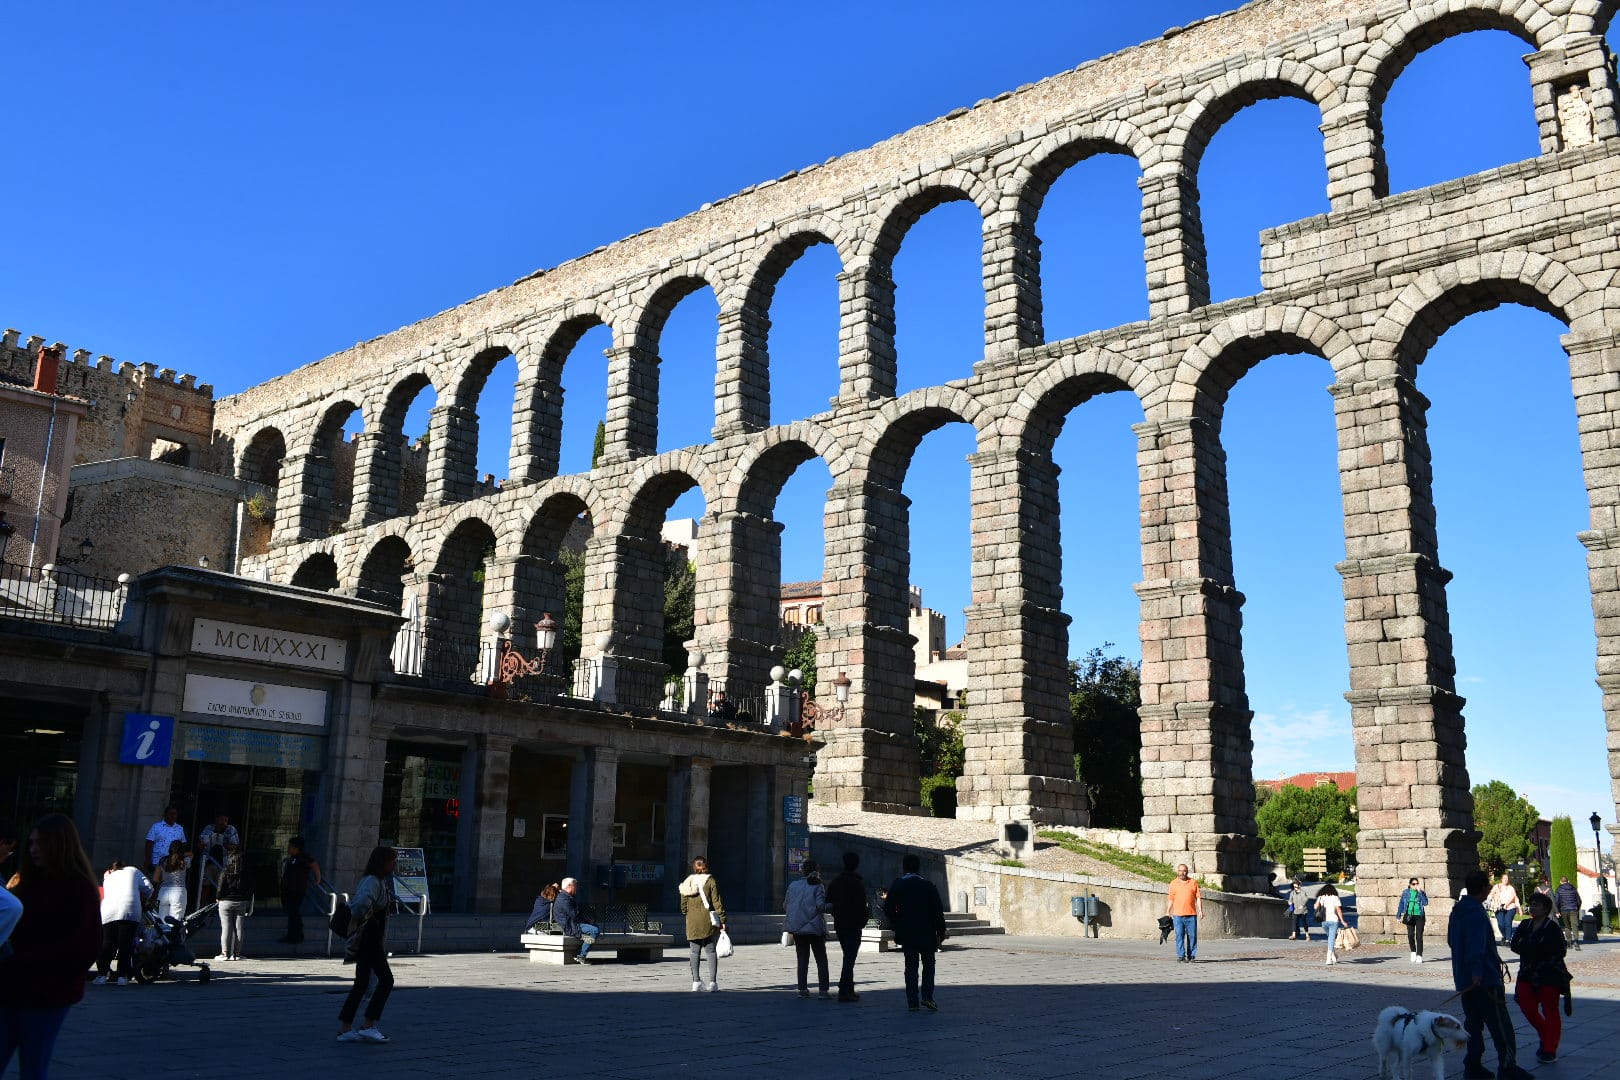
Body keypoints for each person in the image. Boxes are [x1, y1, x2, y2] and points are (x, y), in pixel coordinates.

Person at [0, 814, 103, 1080]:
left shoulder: (80, 889)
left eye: (40, 844)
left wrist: (25, 962)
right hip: (11, 988)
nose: (33, 850)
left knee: (33, 1068)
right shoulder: (27, 883)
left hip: (48, 995)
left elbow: (84, 946)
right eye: (31, 843)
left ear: (59, 845)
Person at [1449, 868, 1533, 1080]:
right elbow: (1476, 945)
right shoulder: (1476, 911)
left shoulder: (1457, 910)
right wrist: (1478, 971)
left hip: (1463, 978)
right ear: (1484, 889)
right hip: (1484, 978)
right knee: (1500, 1025)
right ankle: (1507, 1067)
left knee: (1473, 1025)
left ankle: (1473, 1065)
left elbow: (1452, 941)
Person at [337, 846, 397, 1043]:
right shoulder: (372, 881)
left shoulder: (377, 880)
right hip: (369, 939)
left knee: (361, 984)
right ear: (382, 862)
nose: (394, 864)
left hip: (369, 939)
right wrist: (370, 918)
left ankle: (346, 1028)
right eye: (391, 861)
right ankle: (368, 1024)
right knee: (386, 980)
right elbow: (361, 903)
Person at [1510, 891, 1570, 1064]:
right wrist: (1534, 948)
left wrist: (1530, 948)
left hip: (1548, 974)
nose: (1532, 907)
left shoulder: (1551, 927)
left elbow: (1559, 951)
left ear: (1545, 909)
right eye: (1532, 904)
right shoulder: (1525, 925)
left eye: (1537, 905)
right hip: (1527, 973)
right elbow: (1515, 945)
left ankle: (1550, 1048)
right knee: (1525, 1004)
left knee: (1550, 1010)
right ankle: (1545, 1034)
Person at [883, 853, 946, 1012]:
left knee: (910, 966)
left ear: (904, 867)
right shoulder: (928, 885)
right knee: (929, 964)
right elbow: (938, 910)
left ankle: (912, 1002)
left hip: (908, 932)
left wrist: (898, 922)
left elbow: (888, 908)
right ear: (918, 867)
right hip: (927, 931)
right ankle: (927, 996)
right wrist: (941, 930)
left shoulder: (899, 884)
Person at [93, 861, 152, 985]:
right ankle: (122, 977)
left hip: (109, 911)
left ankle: (102, 976)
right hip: (130, 909)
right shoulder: (133, 870)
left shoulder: (108, 877)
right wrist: (144, 898)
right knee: (125, 944)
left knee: (108, 943)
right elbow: (148, 887)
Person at [824, 851, 870, 1002]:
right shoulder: (857, 883)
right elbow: (863, 906)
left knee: (848, 955)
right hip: (854, 924)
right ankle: (844, 990)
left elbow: (828, 901)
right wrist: (862, 921)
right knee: (850, 958)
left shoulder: (836, 881)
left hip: (841, 923)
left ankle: (849, 988)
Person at [784, 859, 830, 999]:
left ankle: (802, 990)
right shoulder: (818, 886)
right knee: (821, 959)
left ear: (802, 870)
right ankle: (823, 991)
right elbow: (821, 906)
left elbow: (785, 905)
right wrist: (833, 906)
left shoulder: (793, 885)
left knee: (802, 959)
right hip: (815, 928)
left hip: (798, 928)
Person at [678, 856, 726, 992]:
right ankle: (713, 983)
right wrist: (722, 919)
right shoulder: (710, 880)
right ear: (706, 867)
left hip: (692, 921)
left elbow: (683, 906)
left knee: (694, 951)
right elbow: (717, 902)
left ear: (694, 868)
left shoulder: (688, 882)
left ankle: (696, 982)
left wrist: (688, 913)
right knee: (710, 951)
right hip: (707, 920)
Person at [278, 836, 321, 944]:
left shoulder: (303, 857)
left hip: (297, 890)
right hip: (288, 890)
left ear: (296, 848)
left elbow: (314, 865)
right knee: (291, 913)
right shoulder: (291, 858)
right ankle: (291, 935)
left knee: (294, 913)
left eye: (290, 846)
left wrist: (318, 879)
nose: (288, 848)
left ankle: (297, 936)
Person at [214, 846, 251, 962]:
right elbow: (251, 887)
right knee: (239, 927)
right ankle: (237, 954)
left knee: (226, 927)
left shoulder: (225, 871)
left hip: (226, 901)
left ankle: (225, 953)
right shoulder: (246, 872)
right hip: (241, 901)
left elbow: (220, 887)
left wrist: (218, 897)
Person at [552, 878, 600, 964]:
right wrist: (587, 921)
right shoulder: (564, 899)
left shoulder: (565, 897)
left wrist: (588, 921)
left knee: (595, 927)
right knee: (595, 930)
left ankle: (584, 943)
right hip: (570, 926)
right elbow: (575, 915)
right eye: (575, 886)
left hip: (573, 924)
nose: (576, 888)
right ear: (569, 886)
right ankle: (581, 955)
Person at [1166, 863, 1201, 962]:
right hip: (1178, 915)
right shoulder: (1173, 883)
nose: (1182, 872)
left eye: (1184, 870)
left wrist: (1200, 910)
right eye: (1180, 870)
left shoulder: (1193, 882)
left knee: (1192, 936)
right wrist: (1168, 910)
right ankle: (1181, 955)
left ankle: (1191, 955)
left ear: (1187, 871)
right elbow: (1171, 899)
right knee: (1179, 935)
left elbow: (1198, 898)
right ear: (1178, 871)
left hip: (1191, 914)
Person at [151, 840, 189, 923]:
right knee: (175, 923)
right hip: (179, 892)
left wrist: (163, 879)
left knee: (162, 922)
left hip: (163, 891)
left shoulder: (162, 860)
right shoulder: (185, 861)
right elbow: (191, 854)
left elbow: (155, 879)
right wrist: (180, 854)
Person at [143, 805, 186, 871]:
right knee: (155, 881)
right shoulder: (156, 827)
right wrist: (148, 862)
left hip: (173, 865)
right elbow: (149, 844)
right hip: (157, 863)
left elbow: (183, 845)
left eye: (174, 814)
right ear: (165, 815)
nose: (172, 816)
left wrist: (180, 860)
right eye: (170, 813)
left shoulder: (180, 828)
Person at [1398, 877, 1429, 962]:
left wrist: (1420, 892)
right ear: (1410, 885)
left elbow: (1425, 903)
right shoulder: (1406, 892)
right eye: (1413, 884)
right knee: (1410, 935)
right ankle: (1413, 951)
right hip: (1409, 916)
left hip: (1419, 916)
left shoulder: (1421, 893)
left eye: (1417, 884)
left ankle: (1419, 955)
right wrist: (1398, 916)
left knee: (1419, 936)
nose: (1415, 885)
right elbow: (1401, 904)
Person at [1487, 872, 1520, 944]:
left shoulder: (1511, 888)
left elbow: (1514, 897)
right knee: (1501, 924)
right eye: (1504, 878)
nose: (1506, 880)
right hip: (1498, 908)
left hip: (1510, 907)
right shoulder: (1497, 886)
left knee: (1508, 922)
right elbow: (1490, 894)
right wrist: (1489, 902)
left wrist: (1519, 908)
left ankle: (1508, 940)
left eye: (1507, 878)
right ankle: (1504, 936)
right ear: (1501, 879)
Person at [1315, 883, 1345, 965]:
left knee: (1330, 939)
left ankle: (1333, 955)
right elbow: (1338, 909)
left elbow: (1315, 907)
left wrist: (1319, 898)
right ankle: (1328, 958)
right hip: (1333, 920)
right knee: (1331, 939)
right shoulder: (1335, 898)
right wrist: (1342, 920)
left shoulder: (1321, 897)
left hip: (1324, 921)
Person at [1553, 876, 1582, 950]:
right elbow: (1579, 900)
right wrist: (1577, 908)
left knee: (1567, 926)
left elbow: (1556, 901)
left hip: (1564, 910)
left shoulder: (1559, 889)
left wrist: (1557, 911)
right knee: (1575, 926)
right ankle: (1576, 942)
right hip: (1573, 909)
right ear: (1568, 881)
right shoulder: (1573, 889)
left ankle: (1569, 943)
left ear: (1561, 882)